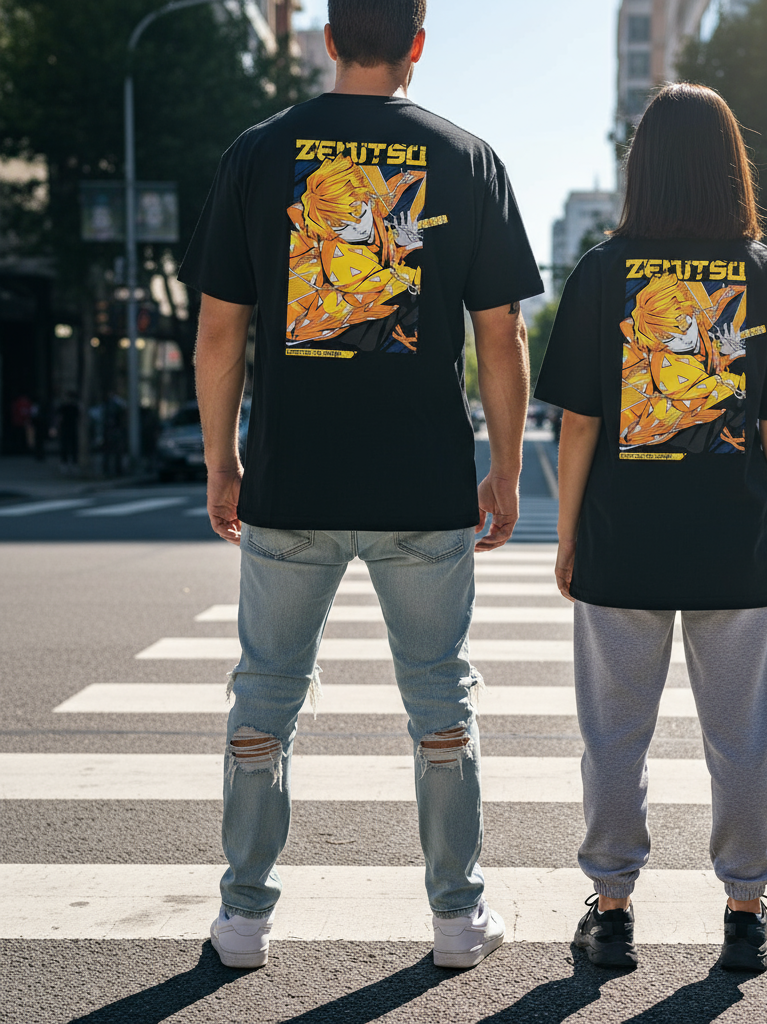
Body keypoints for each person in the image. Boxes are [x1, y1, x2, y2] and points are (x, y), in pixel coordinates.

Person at [177, 0, 542, 971]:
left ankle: (242, 919)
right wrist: (504, 470)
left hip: (290, 481)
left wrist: (222, 460)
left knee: (264, 696)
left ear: (331, 38)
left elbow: (218, 331)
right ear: (417, 44)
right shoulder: (467, 159)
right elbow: (500, 335)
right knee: (440, 701)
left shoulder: (258, 153)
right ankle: (457, 919)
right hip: (423, 487)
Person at [535, 83, 767, 973]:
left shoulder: (599, 272)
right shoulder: (766, 272)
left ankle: (611, 910)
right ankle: (744, 910)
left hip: (622, 544)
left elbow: (577, 425)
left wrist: (569, 535)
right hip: (736, 548)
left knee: (613, 737)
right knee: (741, 740)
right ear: (731, 167)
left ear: (643, 168)